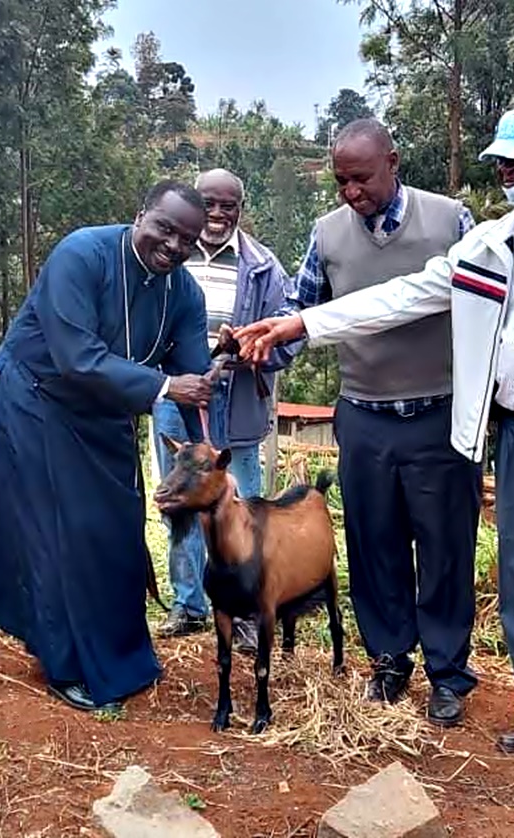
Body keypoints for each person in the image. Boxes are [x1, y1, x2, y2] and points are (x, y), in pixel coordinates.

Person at [236, 103, 514, 820]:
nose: (508, 176)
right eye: (501, 165)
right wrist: (302, 323)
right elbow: (401, 296)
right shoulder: (492, 243)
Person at [0, 181, 215, 713]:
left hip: (105, 409)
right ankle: (66, 665)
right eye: (165, 228)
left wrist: (204, 437)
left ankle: (121, 655)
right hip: (36, 396)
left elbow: (191, 373)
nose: (173, 245)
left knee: (115, 527)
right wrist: (163, 387)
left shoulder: (185, 293)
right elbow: (76, 357)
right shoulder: (82, 253)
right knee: (57, 531)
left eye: (187, 239)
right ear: (140, 216)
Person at [274, 118, 482, 727]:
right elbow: (300, 307)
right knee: (373, 545)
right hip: (363, 416)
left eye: (361, 178)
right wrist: (264, 344)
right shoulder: (328, 234)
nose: (350, 192)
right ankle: (389, 662)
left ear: (393, 162)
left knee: (446, 550)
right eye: (340, 180)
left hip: (440, 415)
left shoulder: (450, 220)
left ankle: (448, 674)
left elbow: (484, 305)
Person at [153, 168, 299, 653]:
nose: (217, 214)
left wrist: (250, 349)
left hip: (236, 405)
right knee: (180, 505)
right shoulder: (174, 250)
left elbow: (286, 340)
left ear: (241, 207)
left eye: (227, 205)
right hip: (179, 403)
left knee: (244, 509)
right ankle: (189, 605)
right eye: (209, 203)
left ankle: (249, 611)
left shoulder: (262, 265)